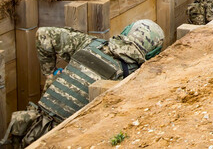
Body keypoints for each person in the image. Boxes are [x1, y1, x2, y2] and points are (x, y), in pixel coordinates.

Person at [2, 20, 164, 147]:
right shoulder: (134, 76)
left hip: (32, 127)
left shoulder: (91, 44)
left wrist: (49, 75)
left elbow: (44, 34)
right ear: (152, 51)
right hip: (66, 137)